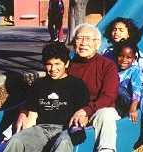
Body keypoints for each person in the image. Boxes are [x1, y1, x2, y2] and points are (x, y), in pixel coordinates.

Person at [3, 42, 89, 152]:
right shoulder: (38, 84)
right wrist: (23, 134)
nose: (53, 69)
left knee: (63, 142)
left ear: (66, 64)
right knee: (16, 140)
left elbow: (83, 114)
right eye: (49, 64)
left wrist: (78, 126)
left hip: (65, 129)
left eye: (57, 64)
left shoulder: (77, 84)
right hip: (41, 129)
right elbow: (32, 116)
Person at [51, 23, 120, 152]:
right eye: (79, 38)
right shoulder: (68, 65)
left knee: (106, 113)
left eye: (87, 39)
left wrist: (86, 111)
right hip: (71, 113)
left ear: (97, 44)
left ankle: (106, 150)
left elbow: (109, 96)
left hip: (97, 111)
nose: (83, 43)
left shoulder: (107, 65)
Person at [114, 40, 143, 149]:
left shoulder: (134, 70)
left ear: (134, 59)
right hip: (116, 104)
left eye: (128, 57)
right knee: (116, 87)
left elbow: (136, 88)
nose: (124, 60)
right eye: (121, 56)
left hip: (133, 101)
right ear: (115, 56)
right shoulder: (111, 70)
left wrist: (133, 107)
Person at [103, 17, 143, 89]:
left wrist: (141, 85)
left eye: (121, 30)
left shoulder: (133, 53)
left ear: (128, 34)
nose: (116, 32)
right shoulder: (107, 52)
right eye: (114, 29)